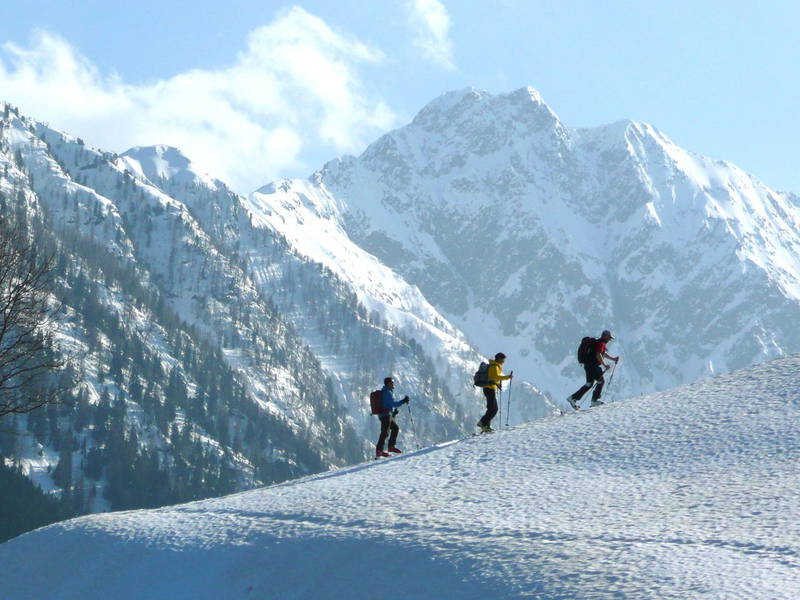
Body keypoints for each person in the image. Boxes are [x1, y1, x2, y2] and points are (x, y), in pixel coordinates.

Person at [568, 330, 619, 410]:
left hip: (588, 365)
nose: (609, 339)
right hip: (593, 366)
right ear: (604, 336)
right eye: (609, 337)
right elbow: (598, 354)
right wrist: (605, 365)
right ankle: (594, 400)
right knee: (601, 381)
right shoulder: (601, 343)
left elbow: (603, 354)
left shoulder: (597, 342)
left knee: (589, 384)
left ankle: (573, 398)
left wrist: (613, 359)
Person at [477, 353, 513, 433]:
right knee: (493, 409)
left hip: (489, 389)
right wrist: (507, 377)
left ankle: (486, 426)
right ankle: (483, 423)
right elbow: (495, 377)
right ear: (499, 359)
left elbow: (493, 378)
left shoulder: (495, 366)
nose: (503, 361)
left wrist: (497, 384)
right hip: (489, 389)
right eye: (503, 359)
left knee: (491, 409)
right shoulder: (494, 367)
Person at [375, 376, 410, 458]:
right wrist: (403, 401)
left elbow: (387, 405)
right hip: (385, 415)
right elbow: (393, 403)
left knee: (395, 428)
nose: (393, 384)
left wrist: (393, 413)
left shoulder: (386, 392)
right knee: (385, 432)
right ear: (388, 383)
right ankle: (380, 451)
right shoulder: (387, 392)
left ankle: (390, 447)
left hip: (386, 414)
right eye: (392, 382)